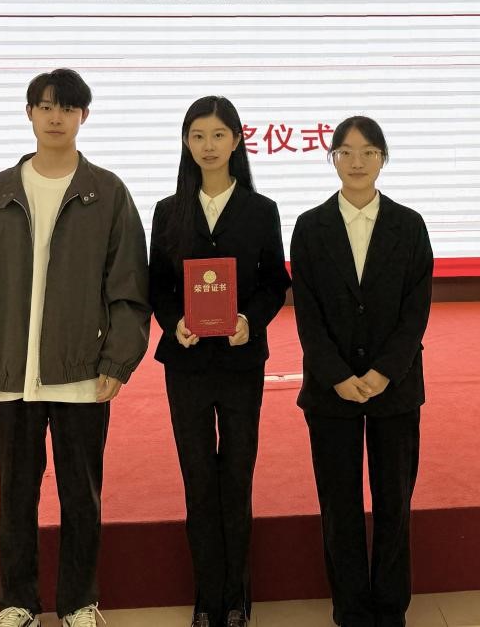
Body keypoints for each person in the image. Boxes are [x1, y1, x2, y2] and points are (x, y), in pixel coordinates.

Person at [0, 68, 151, 627]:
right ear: (29, 113)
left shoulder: (107, 193)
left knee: (82, 495)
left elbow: (128, 284)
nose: (57, 117)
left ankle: (79, 602)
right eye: (46, 106)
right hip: (11, 375)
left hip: (82, 374)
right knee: (16, 495)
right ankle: (18, 602)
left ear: (84, 116)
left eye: (68, 107)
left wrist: (119, 359)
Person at [149, 96, 291, 627]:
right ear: (186, 143)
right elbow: (158, 285)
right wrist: (174, 323)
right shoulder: (169, 210)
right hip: (186, 364)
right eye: (197, 136)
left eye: (217, 135)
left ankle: (236, 599)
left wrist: (250, 319)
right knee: (197, 479)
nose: (207, 146)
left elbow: (275, 282)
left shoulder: (260, 210)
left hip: (240, 363)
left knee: (236, 477)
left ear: (236, 140)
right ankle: (206, 599)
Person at [289, 116, 433, 627]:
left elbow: (416, 310)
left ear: (382, 159)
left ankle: (390, 608)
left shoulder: (409, 225)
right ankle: (350, 608)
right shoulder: (310, 227)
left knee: (394, 501)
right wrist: (336, 375)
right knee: (339, 504)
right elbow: (307, 313)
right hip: (330, 390)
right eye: (345, 152)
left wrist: (385, 372)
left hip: (396, 388)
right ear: (332, 158)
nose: (356, 162)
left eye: (368, 152)